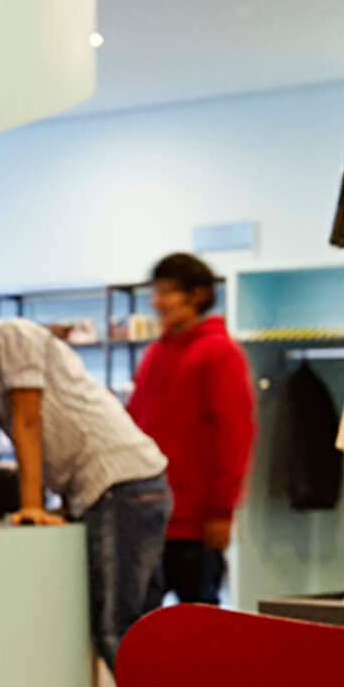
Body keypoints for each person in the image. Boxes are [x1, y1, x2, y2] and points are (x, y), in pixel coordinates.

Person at [0, 282, 169, 672]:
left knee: (116, 630)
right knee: (139, 628)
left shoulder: (12, 336)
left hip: (119, 483)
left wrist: (32, 505)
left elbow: (28, 421)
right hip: (127, 484)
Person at [126, 253, 256, 608]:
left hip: (196, 523)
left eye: (167, 292)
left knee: (200, 624)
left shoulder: (220, 352)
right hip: (148, 516)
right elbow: (134, 425)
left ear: (197, 295)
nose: (157, 302)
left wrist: (221, 511)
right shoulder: (154, 355)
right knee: (140, 621)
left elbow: (235, 438)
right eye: (155, 292)